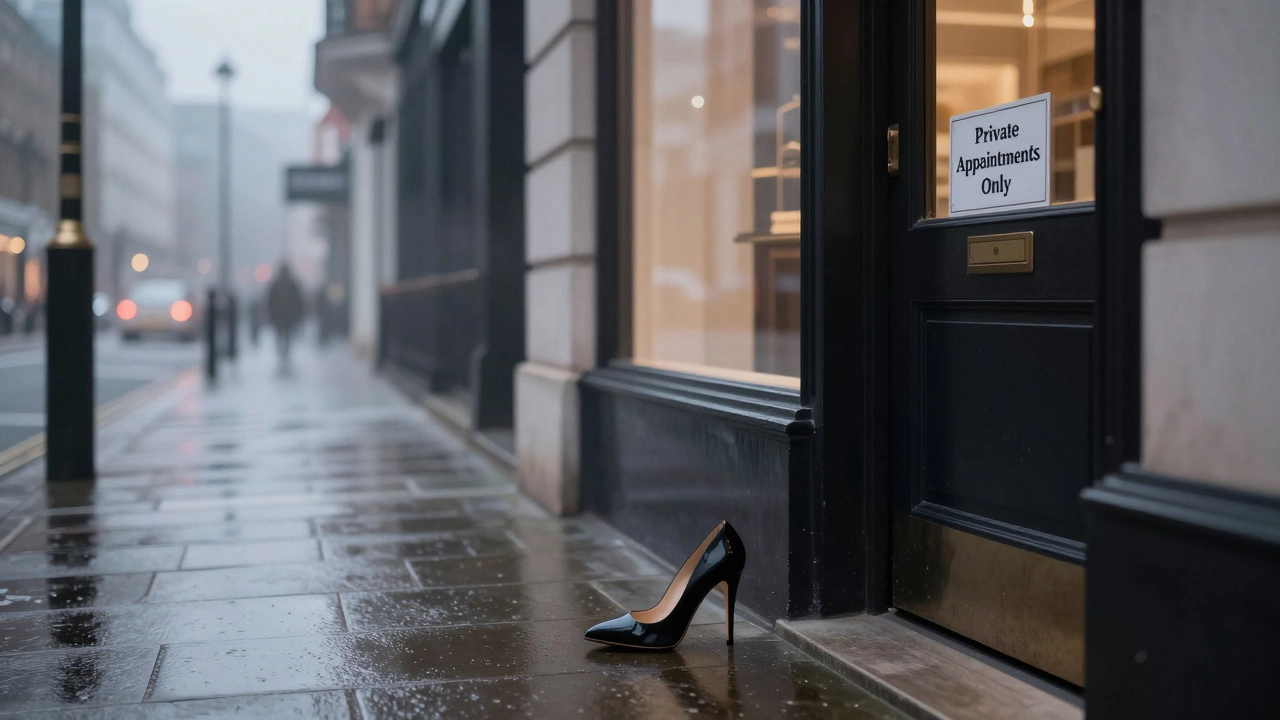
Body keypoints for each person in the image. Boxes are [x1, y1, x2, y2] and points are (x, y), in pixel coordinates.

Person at [266, 262, 304, 364]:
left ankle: (282, 353)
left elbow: (270, 301)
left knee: (281, 335)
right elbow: (299, 301)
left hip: (280, 316)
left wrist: (270, 314)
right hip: (288, 316)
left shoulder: (276, 284)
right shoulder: (292, 284)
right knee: (287, 336)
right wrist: (299, 315)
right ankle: (285, 353)